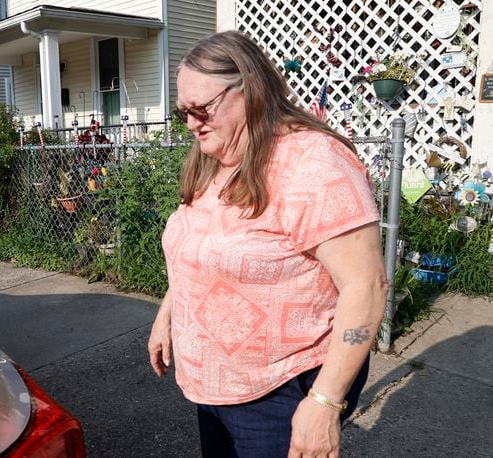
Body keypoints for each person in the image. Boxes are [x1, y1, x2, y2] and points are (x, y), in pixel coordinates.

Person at [148, 31, 387, 457]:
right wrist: (169, 311)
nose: (191, 123)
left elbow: (366, 287)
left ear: (250, 88)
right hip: (213, 388)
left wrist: (325, 402)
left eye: (201, 108)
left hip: (279, 390)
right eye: (183, 111)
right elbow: (197, 248)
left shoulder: (314, 165)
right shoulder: (213, 158)